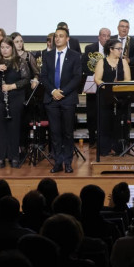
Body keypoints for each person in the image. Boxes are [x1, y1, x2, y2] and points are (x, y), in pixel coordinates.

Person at [41, 27, 82, 173]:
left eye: (61, 36)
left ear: (67, 39)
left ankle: (68, 162)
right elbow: (43, 76)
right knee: (55, 133)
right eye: (56, 36)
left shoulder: (75, 56)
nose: (57, 38)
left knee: (67, 133)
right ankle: (57, 162)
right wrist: (53, 91)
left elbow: (77, 77)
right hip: (51, 99)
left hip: (68, 99)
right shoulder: (47, 55)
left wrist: (62, 92)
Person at [0, 36, 30, 168]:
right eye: (2, 48)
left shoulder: (20, 61)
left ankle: (14, 156)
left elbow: (26, 79)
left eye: (7, 47)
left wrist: (11, 86)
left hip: (15, 97)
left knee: (14, 127)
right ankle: (0, 157)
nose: (4, 50)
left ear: (12, 48)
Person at [94, 38, 131, 156]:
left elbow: (128, 80)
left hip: (120, 97)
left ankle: (119, 148)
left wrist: (118, 88)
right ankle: (104, 148)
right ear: (110, 49)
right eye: (118, 49)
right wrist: (108, 88)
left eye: (121, 48)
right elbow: (97, 79)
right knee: (104, 122)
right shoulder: (102, 62)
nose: (121, 51)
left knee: (119, 122)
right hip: (105, 96)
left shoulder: (123, 62)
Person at [82, 28, 111, 146]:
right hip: (92, 82)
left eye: (108, 36)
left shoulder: (112, 48)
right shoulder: (89, 48)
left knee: (105, 111)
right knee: (91, 112)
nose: (106, 38)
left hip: (106, 84)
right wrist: (94, 75)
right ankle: (92, 138)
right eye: (104, 36)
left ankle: (104, 138)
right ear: (99, 37)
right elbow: (84, 65)